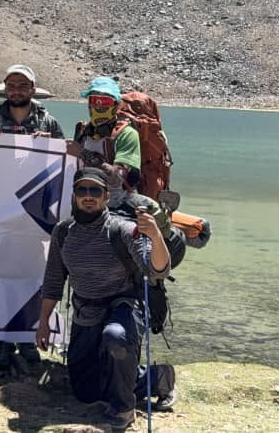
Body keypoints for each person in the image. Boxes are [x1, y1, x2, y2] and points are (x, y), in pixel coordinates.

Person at [36, 167, 174, 431]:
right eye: (82, 190)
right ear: (74, 196)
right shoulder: (63, 233)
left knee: (116, 337)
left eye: (95, 191)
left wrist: (155, 236)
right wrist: (43, 322)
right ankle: (155, 378)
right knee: (85, 392)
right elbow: (53, 281)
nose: (89, 196)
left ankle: (123, 409)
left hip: (124, 306)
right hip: (87, 311)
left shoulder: (123, 230)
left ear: (106, 197)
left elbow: (158, 269)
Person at [0, 64, 63, 370]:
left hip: (32, 215)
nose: (16, 90)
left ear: (32, 88)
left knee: (31, 277)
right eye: (11, 85)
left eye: (22, 85)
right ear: (5, 88)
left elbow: (62, 164)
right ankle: (2, 340)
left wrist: (49, 145)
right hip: (0, 211)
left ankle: (27, 339)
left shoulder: (47, 120)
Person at [66, 76, 141, 191]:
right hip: (83, 197)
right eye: (94, 100)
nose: (98, 106)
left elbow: (116, 180)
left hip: (115, 201)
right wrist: (45, 141)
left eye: (105, 102)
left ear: (116, 105)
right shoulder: (83, 131)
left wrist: (83, 153)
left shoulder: (127, 134)